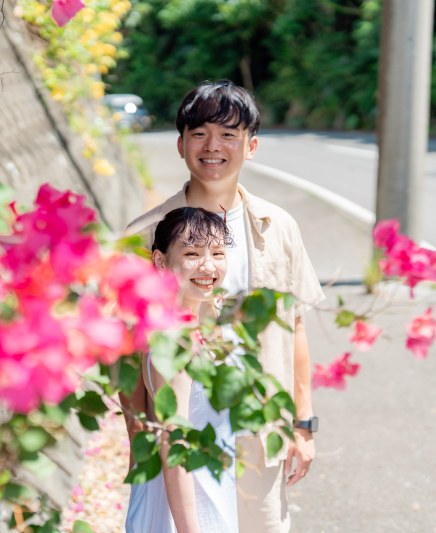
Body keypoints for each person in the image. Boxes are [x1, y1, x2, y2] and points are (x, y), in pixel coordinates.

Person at [121, 80, 325, 532]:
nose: (213, 146)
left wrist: (303, 423)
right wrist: (140, 439)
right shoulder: (145, 236)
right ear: (180, 144)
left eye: (229, 134)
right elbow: (127, 348)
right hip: (184, 439)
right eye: (199, 133)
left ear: (251, 147)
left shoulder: (280, 228)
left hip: (260, 436)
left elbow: (295, 327)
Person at [125, 206, 238, 533]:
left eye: (218, 252)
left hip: (207, 494)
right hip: (184, 511)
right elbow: (173, 444)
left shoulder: (192, 326)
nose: (208, 265)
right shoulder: (173, 340)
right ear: (160, 261)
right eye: (192, 252)